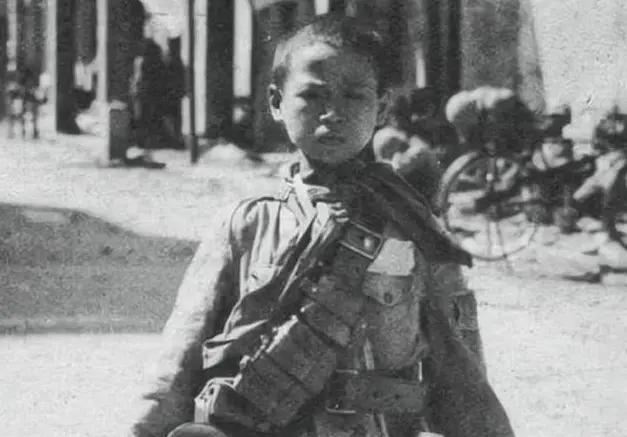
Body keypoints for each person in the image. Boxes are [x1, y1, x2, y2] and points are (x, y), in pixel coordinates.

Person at [127, 14, 514, 437]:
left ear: (382, 107)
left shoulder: (417, 230)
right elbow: (177, 365)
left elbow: (466, 381)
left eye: (354, 96)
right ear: (276, 102)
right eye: (313, 95)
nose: (333, 114)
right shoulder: (246, 226)